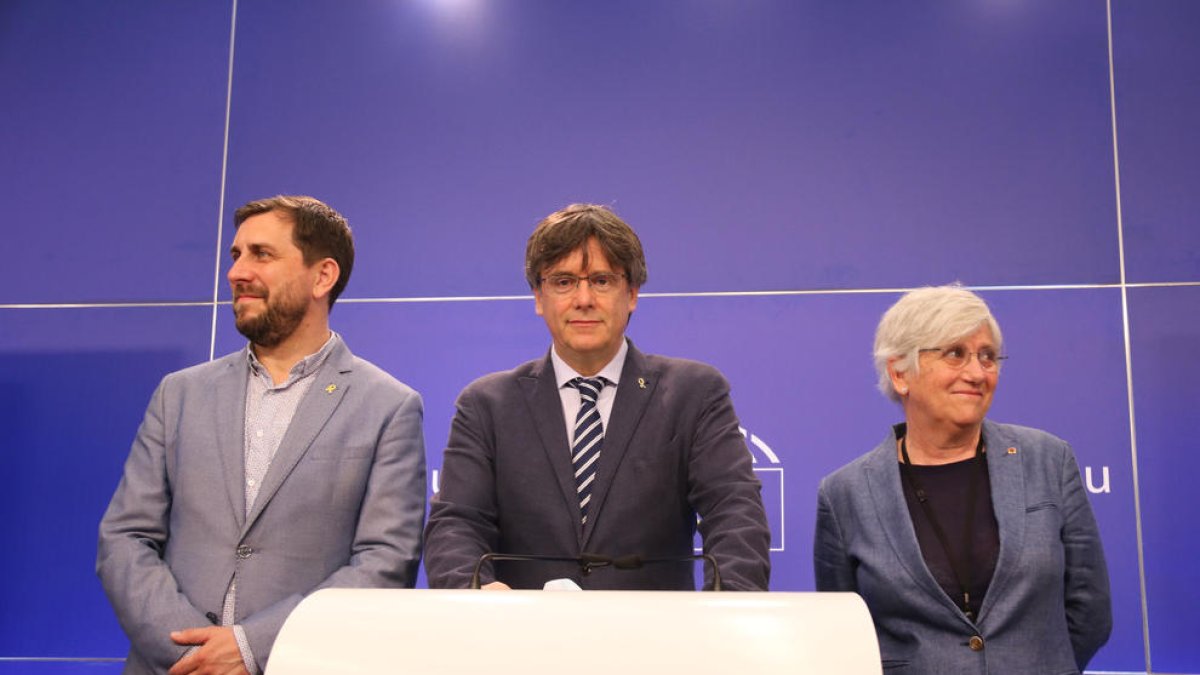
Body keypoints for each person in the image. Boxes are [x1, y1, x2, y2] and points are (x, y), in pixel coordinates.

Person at [97, 196, 426, 674]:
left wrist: (252, 648)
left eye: (261, 254)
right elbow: (124, 539)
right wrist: (192, 654)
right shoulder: (180, 393)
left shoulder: (388, 406)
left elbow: (384, 563)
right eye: (236, 256)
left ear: (322, 276)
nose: (236, 273)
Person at [424, 203, 770, 590]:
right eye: (563, 281)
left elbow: (735, 512)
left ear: (633, 294)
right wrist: (475, 592)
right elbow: (456, 525)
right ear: (539, 298)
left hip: (660, 641)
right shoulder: (486, 405)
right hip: (523, 640)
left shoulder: (695, 393)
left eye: (602, 281)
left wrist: (729, 607)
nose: (583, 299)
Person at [814, 285, 1111, 673]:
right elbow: (846, 636)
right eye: (955, 354)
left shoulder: (1047, 460)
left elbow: (1090, 608)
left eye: (987, 356)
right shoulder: (846, 494)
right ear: (900, 372)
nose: (976, 373)